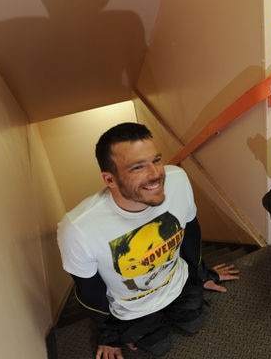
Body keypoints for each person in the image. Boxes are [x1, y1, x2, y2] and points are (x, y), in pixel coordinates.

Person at [57, 122, 240, 358]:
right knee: (159, 346)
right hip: (132, 311)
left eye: (156, 160)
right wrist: (109, 333)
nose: (156, 175)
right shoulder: (78, 228)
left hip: (180, 284)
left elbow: (191, 230)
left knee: (194, 323)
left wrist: (201, 272)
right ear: (109, 180)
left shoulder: (177, 179)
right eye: (137, 167)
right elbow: (89, 291)